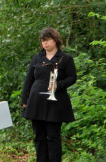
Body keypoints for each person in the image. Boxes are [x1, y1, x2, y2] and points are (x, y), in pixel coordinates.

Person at [21, 27, 77, 162]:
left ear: (55, 40)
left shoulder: (65, 59)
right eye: (42, 41)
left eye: (47, 40)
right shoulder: (37, 58)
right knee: (39, 136)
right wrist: (25, 99)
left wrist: (59, 85)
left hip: (55, 102)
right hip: (36, 101)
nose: (44, 43)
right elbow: (28, 80)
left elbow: (72, 77)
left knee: (53, 136)